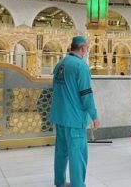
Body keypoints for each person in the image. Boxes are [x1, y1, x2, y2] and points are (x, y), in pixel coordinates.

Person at [50, 35, 100, 187]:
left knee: (61, 151)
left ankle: (59, 182)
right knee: (77, 154)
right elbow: (86, 94)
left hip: (59, 117)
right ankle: (78, 184)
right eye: (86, 48)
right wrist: (94, 116)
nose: (86, 51)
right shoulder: (81, 66)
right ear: (83, 48)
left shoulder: (60, 65)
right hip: (74, 119)